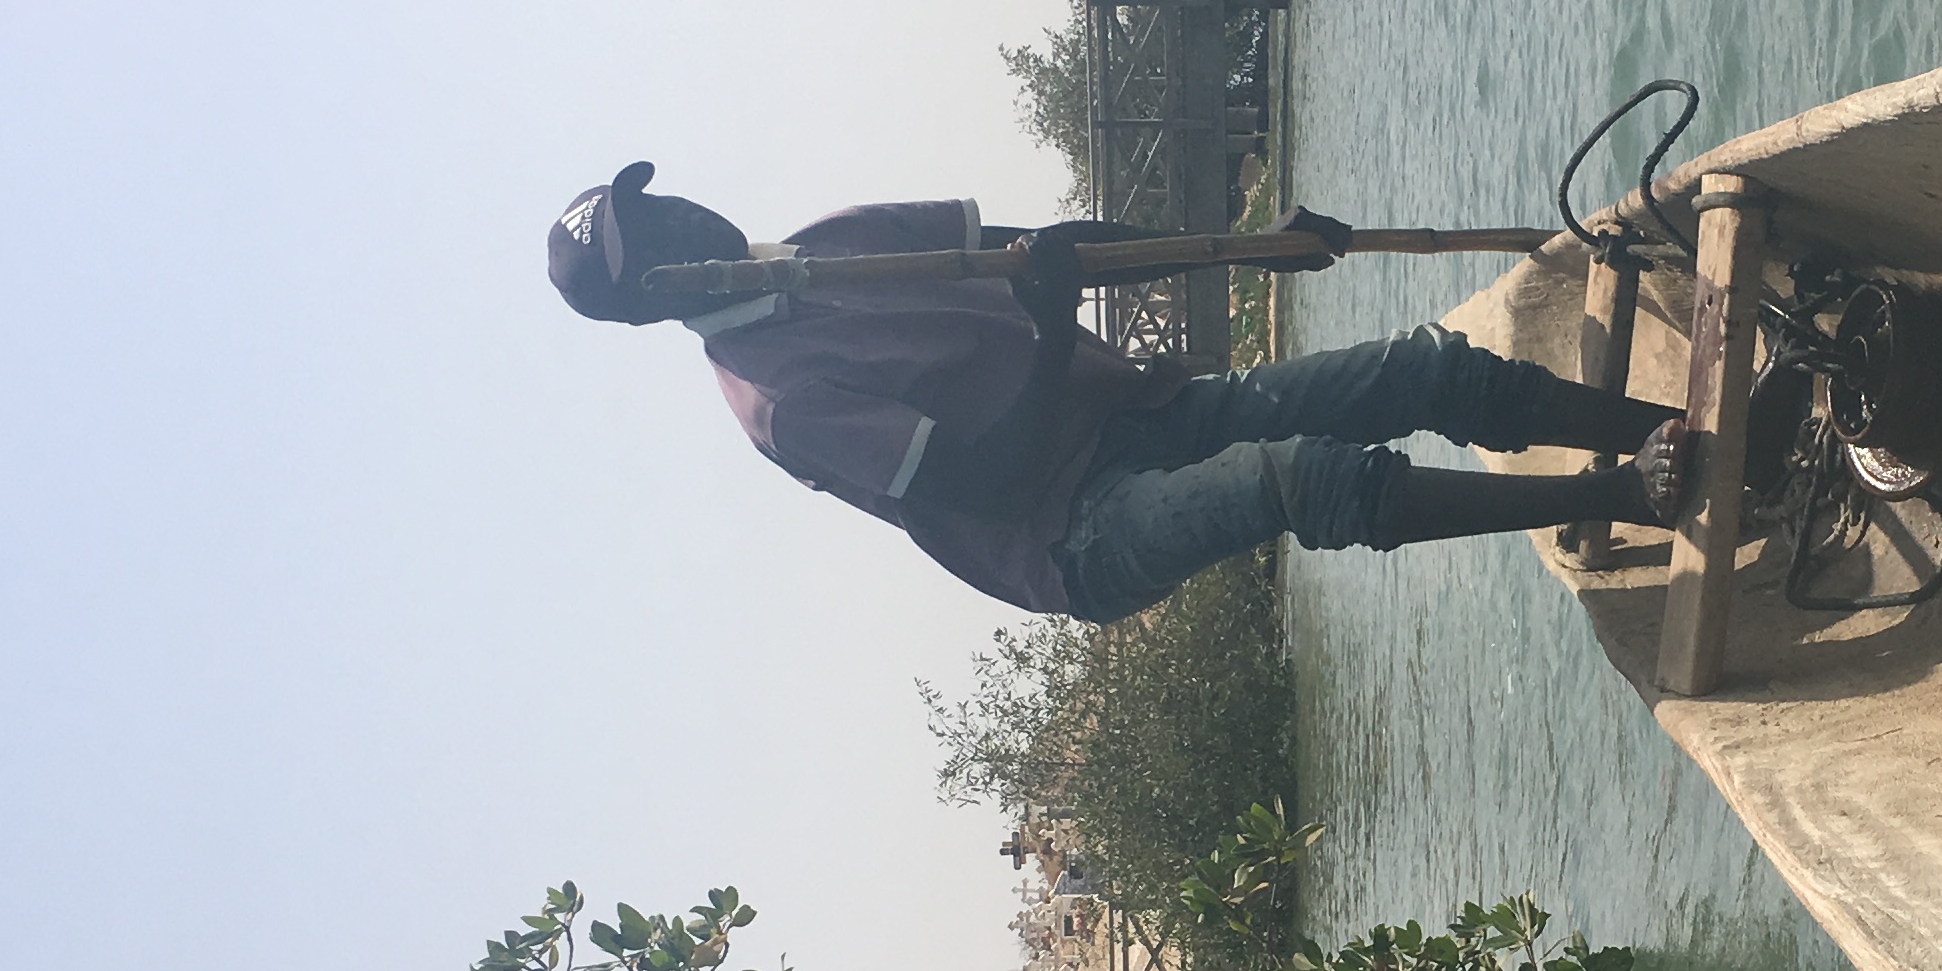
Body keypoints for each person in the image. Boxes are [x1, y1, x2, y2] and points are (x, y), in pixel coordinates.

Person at [547, 163, 1703, 622]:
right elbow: (990, 479)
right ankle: (1629, 492)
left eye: (666, 205)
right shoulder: (778, 402)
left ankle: (1672, 431)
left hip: (1134, 409)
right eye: (656, 245)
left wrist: (1248, 246)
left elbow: (1068, 250)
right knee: (1297, 479)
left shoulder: (833, 244)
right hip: (1072, 533)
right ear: (651, 302)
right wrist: (1050, 334)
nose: (689, 222)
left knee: (1418, 372)